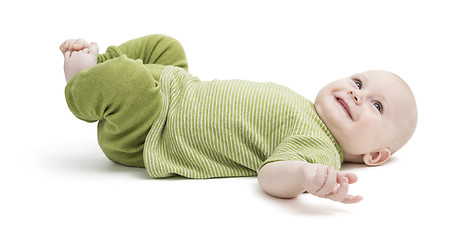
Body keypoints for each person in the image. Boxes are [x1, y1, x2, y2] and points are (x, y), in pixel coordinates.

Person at [60, 34, 417, 204]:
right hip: (175, 88)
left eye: (376, 106)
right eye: (358, 82)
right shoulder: (308, 110)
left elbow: (269, 176)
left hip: (152, 129)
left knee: (128, 81)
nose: (357, 93)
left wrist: (303, 177)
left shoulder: (320, 150)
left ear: (375, 155)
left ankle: (82, 81)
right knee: (167, 49)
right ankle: (103, 63)